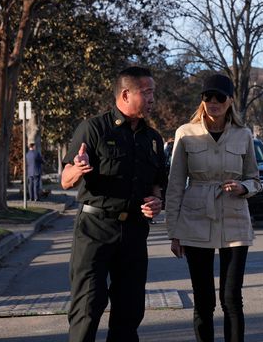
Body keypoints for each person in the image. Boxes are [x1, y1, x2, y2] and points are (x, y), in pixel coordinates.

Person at [61, 66, 165, 342]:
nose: (153, 98)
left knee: (130, 309)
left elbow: (157, 182)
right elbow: (65, 179)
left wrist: (157, 200)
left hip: (134, 230)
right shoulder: (93, 128)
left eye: (154, 92)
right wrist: (78, 169)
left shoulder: (152, 139)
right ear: (126, 94)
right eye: (147, 92)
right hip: (95, 229)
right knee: (88, 306)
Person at [166, 73, 261, 342]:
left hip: (235, 218)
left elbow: (254, 178)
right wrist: (174, 231)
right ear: (202, 100)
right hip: (196, 218)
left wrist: (245, 188)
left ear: (230, 100)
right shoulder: (185, 133)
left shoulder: (244, 135)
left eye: (220, 96)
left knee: (232, 298)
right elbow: (175, 185)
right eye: (208, 96)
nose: (214, 102)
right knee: (203, 299)